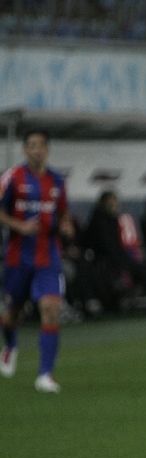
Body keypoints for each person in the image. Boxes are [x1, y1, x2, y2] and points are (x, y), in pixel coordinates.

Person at [0, 128, 75, 393]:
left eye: (41, 145)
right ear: (24, 150)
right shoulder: (13, 177)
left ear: (47, 149)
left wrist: (66, 226)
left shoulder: (56, 181)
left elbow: (64, 213)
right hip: (18, 258)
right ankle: (10, 345)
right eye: (31, 145)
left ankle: (45, 374)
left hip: (48, 257)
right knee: (11, 315)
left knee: (51, 308)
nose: (36, 150)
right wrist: (18, 226)